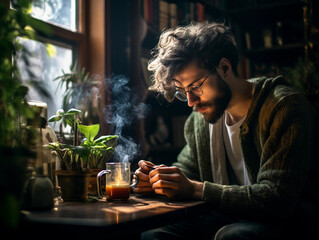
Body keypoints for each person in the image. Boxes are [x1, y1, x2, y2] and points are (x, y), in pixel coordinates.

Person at [134, 22, 318, 240]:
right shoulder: (199, 120)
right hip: (226, 217)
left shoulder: (284, 107)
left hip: (289, 222)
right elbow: (188, 170)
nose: (191, 102)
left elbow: (276, 198)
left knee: (231, 236)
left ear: (224, 68)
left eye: (195, 87)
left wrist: (197, 190)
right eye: (184, 92)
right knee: (153, 234)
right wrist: (160, 178)